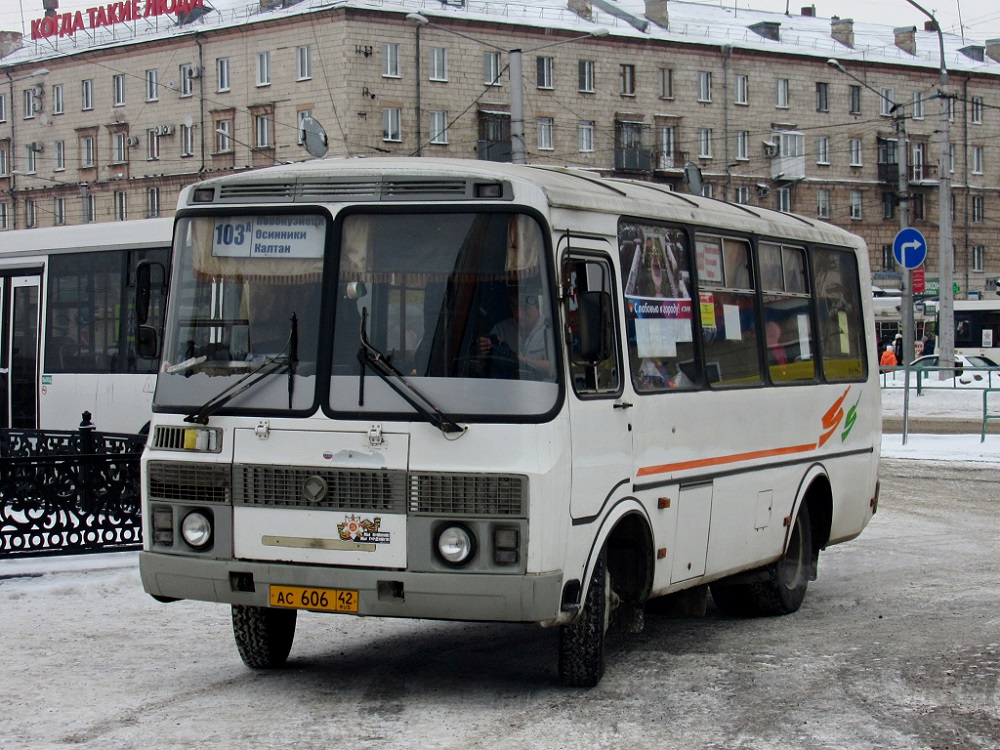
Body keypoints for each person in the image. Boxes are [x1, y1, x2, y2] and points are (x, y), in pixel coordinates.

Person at [479, 288, 552, 378]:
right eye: (514, 306)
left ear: (538, 307)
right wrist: (483, 350)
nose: (518, 314)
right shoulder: (501, 329)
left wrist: (516, 358)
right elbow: (484, 365)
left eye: (525, 307)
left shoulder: (550, 330)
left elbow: (554, 368)